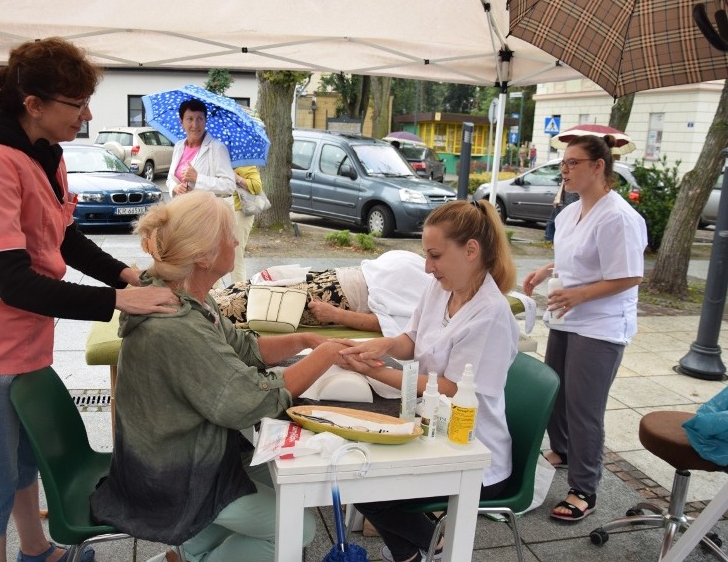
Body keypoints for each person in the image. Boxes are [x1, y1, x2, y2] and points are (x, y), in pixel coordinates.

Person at [0, 37, 180, 562]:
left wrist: (129, 274)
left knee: (22, 462)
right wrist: (115, 301)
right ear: (34, 105)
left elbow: (63, 237)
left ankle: (38, 551)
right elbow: (12, 280)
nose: (87, 115)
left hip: (22, 338)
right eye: (76, 104)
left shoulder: (45, 154)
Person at [90, 190, 355, 562]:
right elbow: (250, 400)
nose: (235, 240)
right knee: (298, 528)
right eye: (228, 234)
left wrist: (310, 340)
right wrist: (325, 355)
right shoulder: (178, 325)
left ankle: (186, 554)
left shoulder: (184, 295)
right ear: (202, 255)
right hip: (176, 475)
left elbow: (243, 348)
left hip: (182, 456)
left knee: (288, 488)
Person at [338, 200, 520, 562]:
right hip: (433, 427)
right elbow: (412, 340)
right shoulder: (441, 288)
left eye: (435, 255)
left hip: (472, 450)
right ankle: (414, 554)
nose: (427, 266)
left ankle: (435, 544)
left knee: (365, 484)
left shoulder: (491, 314)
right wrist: (384, 345)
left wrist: (373, 370)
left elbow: (452, 388)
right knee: (352, 471)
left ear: (471, 250)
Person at [522, 134, 647, 522]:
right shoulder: (568, 213)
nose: (565, 169)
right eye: (563, 163)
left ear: (599, 167)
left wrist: (580, 296)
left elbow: (628, 276)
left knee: (584, 407)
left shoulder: (620, 217)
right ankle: (563, 450)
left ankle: (584, 488)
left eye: (574, 163)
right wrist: (549, 271)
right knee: (557, 392)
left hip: (601, 326)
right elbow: (579, 262)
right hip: (567, 317)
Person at [212, 250, 432, 336]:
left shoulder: (430, 296)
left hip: (336, 298)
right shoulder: (428, 273)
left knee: (248, 306)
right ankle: (200, 301)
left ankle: (199, 311)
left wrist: (336, 315)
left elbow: (388, 323)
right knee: (248, 287)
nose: (431, 262)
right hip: (332, 277)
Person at [165, 99, 235, 199]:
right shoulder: (179, 146)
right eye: (190, 119)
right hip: (181, 209)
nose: (195, 125)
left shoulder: (217, 148)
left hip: (205, 211)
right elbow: (170, 178)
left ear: (205, 120)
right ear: (181, 122)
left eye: (200, 119)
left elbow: (230, 185)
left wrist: (198, 178)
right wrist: (175, 187)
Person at [230, 165, 262, 282]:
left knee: (236, 255)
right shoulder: (220, 164)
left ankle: (239, 290)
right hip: (221, 211)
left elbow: (257, 186)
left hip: (240, 212)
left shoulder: (246, 165)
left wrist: (237, 178)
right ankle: (213, 292)